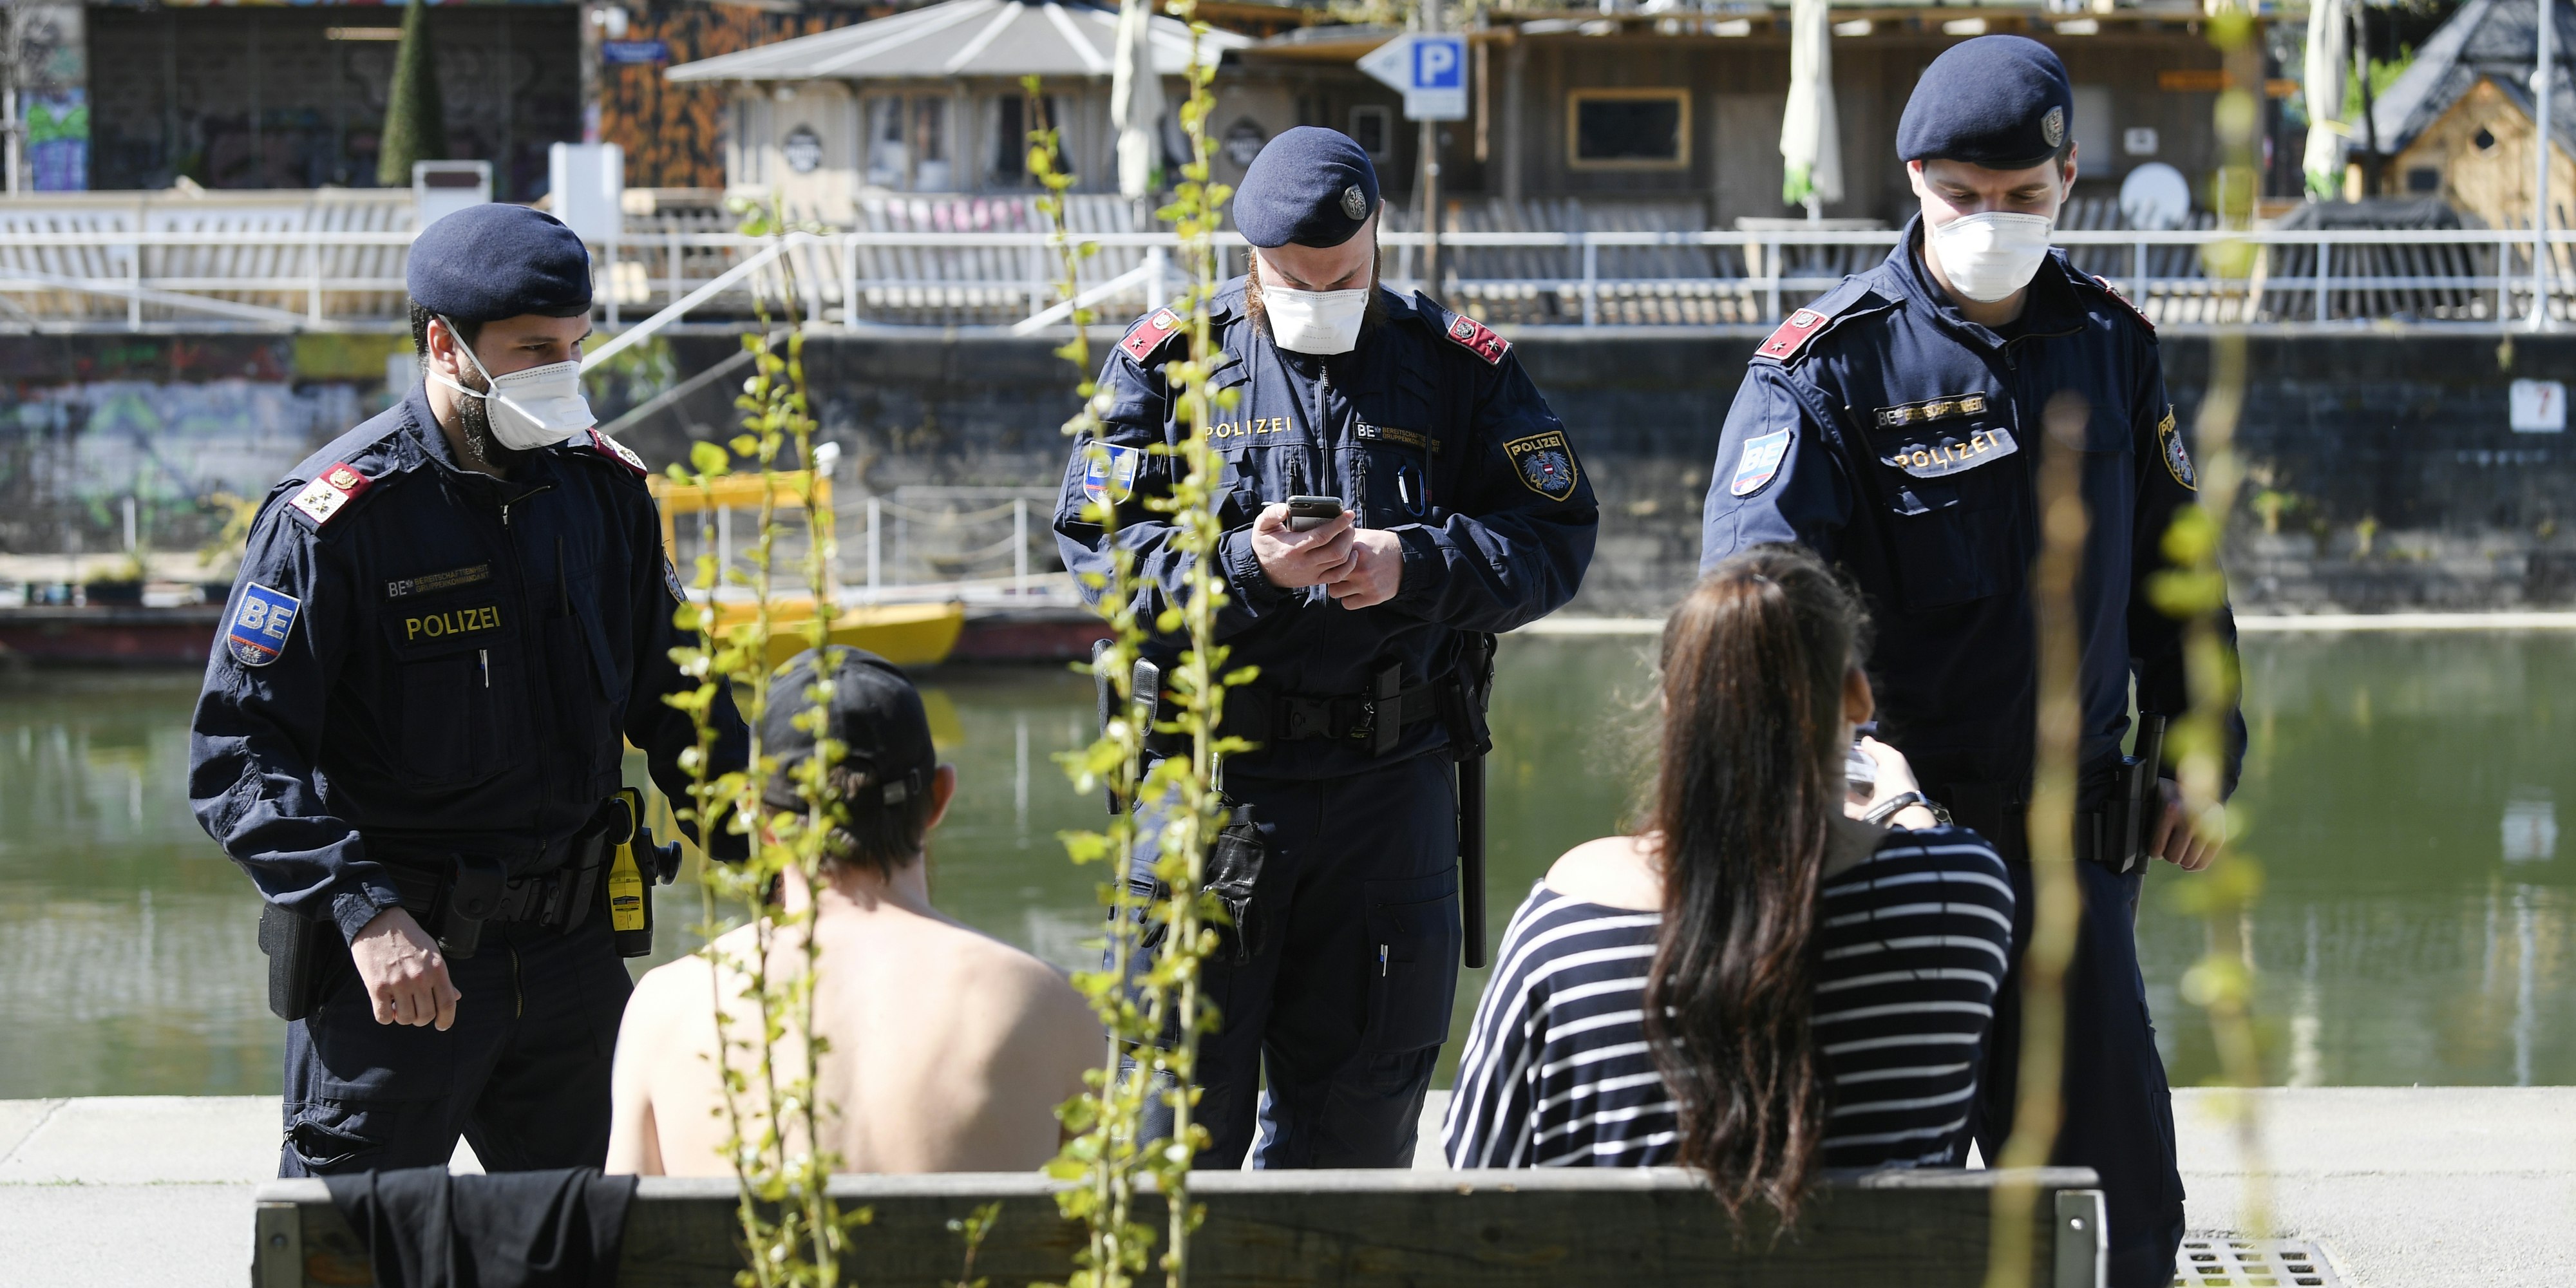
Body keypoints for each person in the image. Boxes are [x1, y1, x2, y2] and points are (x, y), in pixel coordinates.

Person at [1695, 36, 2244, 1286]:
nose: (1989, 221)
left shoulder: (2110, 342)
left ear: (2066, 180)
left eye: (2017, 197)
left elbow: (2184, 585)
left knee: (2118, 1221)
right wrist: (1828, 770)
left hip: (2073, 863)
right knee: (1869, 1216)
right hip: (1888, 859)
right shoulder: (1828, 369)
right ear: (1909, 179)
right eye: (1959, 197)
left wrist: (2196, 761)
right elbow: (1752, 609)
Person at [1053, 126, 1598, 1169]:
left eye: (1341, 276)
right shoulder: (1172, 365)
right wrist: (1243, 569)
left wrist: (1416, 565)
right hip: (1208, 793)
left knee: (1356, 1145)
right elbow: (1100, 552)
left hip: (1385, 800)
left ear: (1378, 237)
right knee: (1167, 1143)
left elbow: (1557, 541)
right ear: (1247, 254)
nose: (1316, 295)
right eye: (1290, 278)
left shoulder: (1459, 369)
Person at [188, 203, 749, 1177]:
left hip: (574, 961)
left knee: (610, 1254)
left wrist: (793, 873)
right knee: (350, 1258)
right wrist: (363, 910)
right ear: (445, 343)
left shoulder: (602, 492)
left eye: (575, 347)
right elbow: (239, 755)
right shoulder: (336, 520)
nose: (562, 376)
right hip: (407, 972)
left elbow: (684, 706)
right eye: (534, 350)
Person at [1443, 547, 2012, 1219]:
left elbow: (1477, 1167)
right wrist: (1902, 803)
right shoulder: (1964, 893)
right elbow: (1929, 857)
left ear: (1672, 708)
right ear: (1857, 697)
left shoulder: (1570, 914)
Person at [607, 647, 1100, 1175]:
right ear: (939, 797)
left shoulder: (664, 1011)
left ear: (759, 816)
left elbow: (621, 1248)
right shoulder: (1054, 1010)